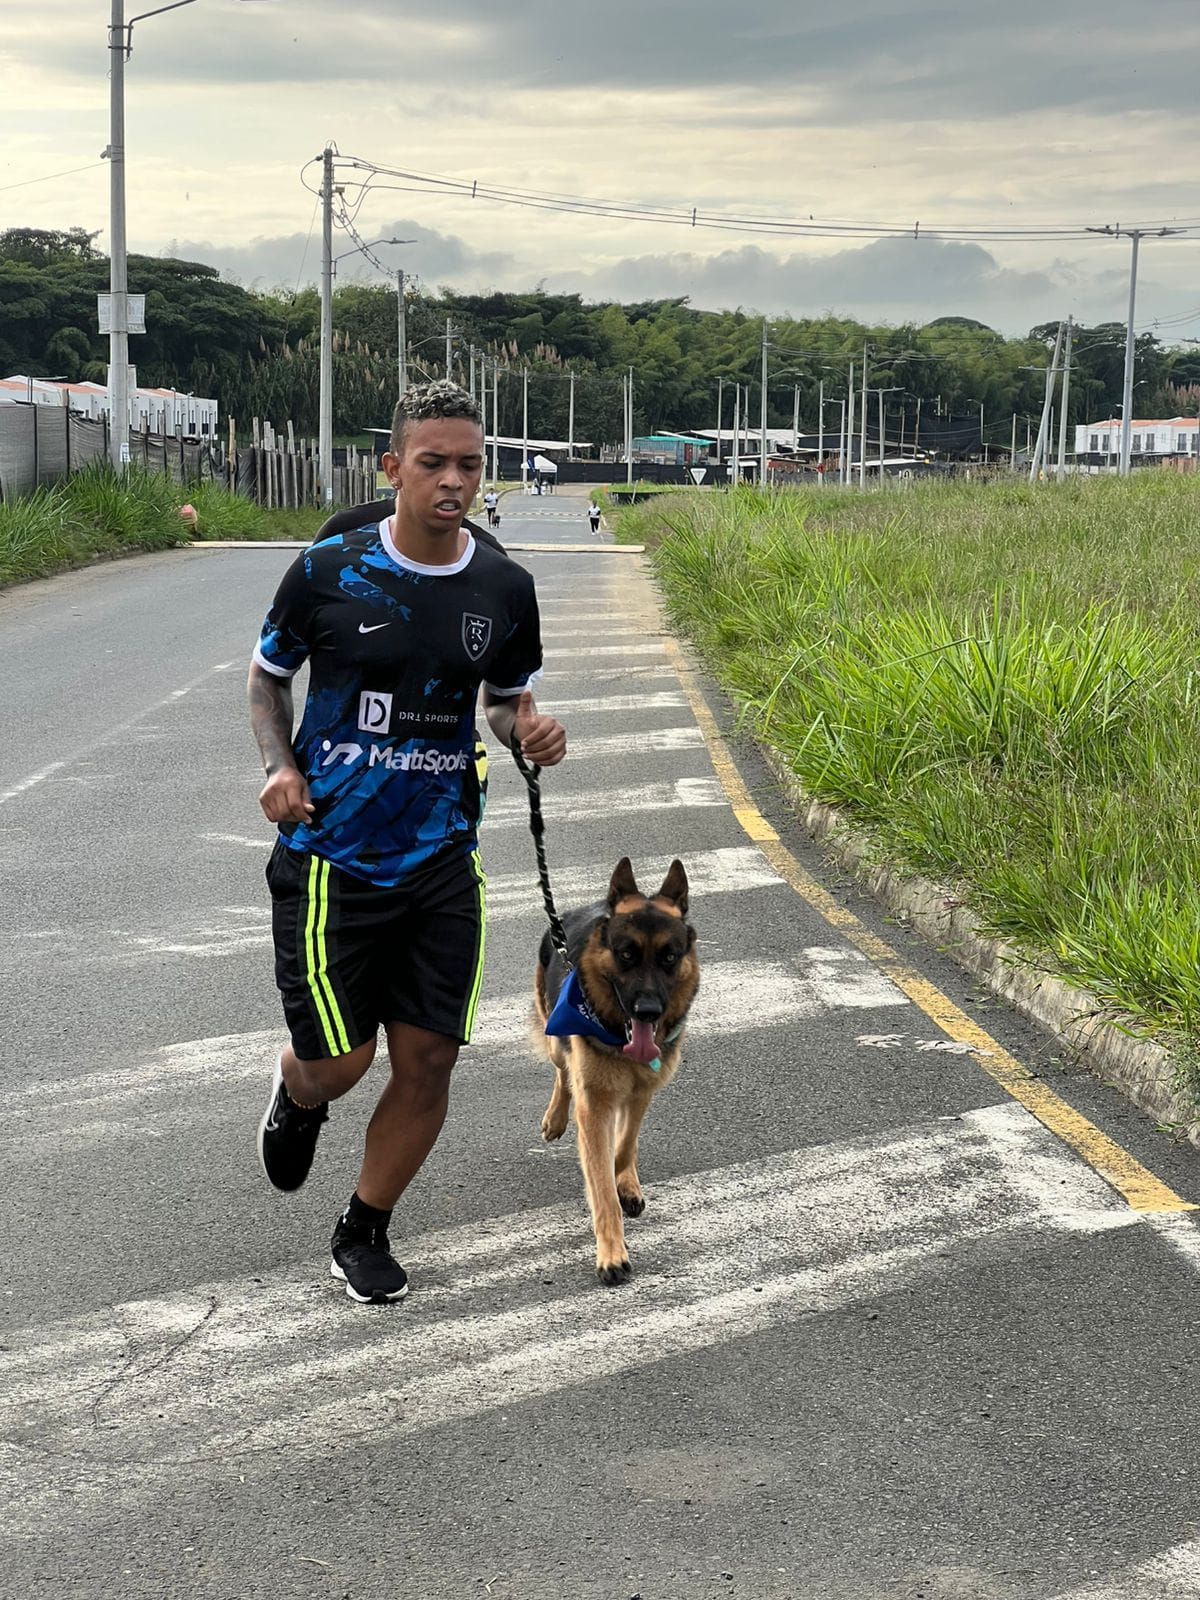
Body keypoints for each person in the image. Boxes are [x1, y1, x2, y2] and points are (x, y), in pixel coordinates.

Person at [248, 380, 566, 1305]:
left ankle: (365, 1228)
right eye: (433, 463)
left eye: (469, 464)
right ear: (393, 468)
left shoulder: (503, 586)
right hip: (330, 854)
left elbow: (506, 700)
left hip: (441, 856)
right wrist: (281, 767)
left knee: (428, 1059)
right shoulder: (329, 569)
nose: (453, 481)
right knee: (339, 1066)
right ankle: (298, 1093)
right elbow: (268, 681)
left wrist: (527, 731)